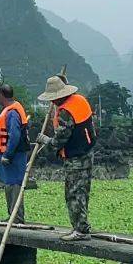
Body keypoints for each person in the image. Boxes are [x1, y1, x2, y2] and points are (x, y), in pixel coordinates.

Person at [35, 74, 97, 241]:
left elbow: (59, 141)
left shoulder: (66, 112)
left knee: (73, 193)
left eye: (53, 99)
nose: (52, 102)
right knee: (82, 191)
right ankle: (82, 226)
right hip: (87, 152)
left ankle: (81, 230)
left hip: (76, 157)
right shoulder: (80, 100)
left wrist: (44, 140)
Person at [0, 84, 30, 224]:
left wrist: (7, 154)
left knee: (14, 185)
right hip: (9, 154)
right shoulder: (10, 110)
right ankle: (12, 216)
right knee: (9, 185)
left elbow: (14, 135)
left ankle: (17, 218)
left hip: (14, 156)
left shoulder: (12, 113)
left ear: (2, 95)